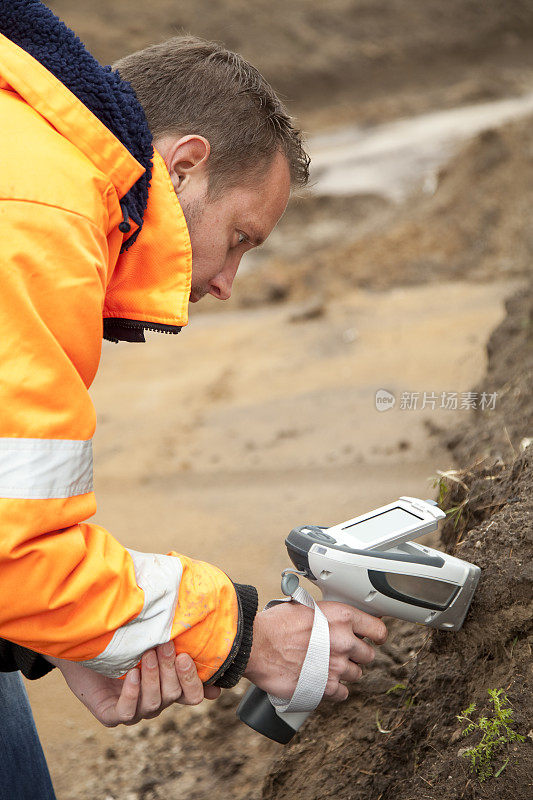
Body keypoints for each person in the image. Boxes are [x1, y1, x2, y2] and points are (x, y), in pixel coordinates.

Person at [0, 2, 388, 797]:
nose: (223, 283)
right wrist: (247, 637)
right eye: (241, 238)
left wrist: (54, 639)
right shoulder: (39, 214)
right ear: (183, 165)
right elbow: (17, 553)